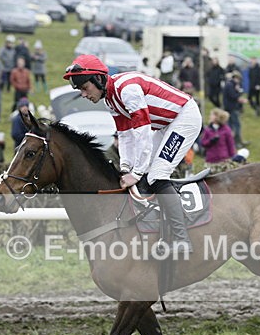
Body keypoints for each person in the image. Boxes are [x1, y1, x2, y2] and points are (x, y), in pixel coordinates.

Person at [63, 54, 202, 254]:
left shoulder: (127, 90)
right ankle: (161, 229)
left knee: (157, 175)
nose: (83, 94)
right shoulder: (109, 100)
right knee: (146, 175)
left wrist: (136, 173)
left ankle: (182, 238)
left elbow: (142, 132)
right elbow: (125, 135)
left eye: (85, 88)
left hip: (184, 118)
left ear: (98, 79)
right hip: (165, 125)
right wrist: (125, 168)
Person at [200, 108, 236, 172]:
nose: (210, 116)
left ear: (217, 117)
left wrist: (233, 157)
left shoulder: (226, 129)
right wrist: (211, 141)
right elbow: (203, 143)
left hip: (223, 160)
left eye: (212, 115)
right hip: (211, 160)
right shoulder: (207, 130)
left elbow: (230, 144)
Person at [223, 70, 249, 146]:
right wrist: (240, 94)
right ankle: (237, 142)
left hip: (228, 108)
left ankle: (233, 142)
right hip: (232, 108)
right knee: (236, 125)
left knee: (230, 126)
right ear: (236, 78)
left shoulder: (230, 84)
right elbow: (233, 96)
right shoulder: (230, 85)